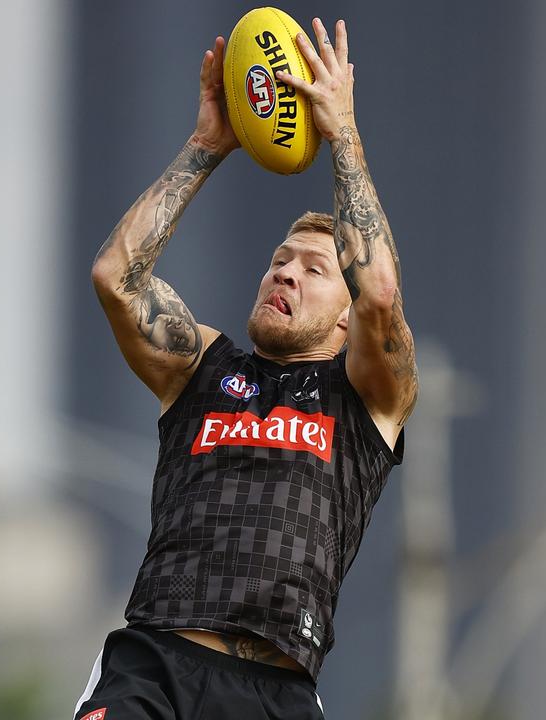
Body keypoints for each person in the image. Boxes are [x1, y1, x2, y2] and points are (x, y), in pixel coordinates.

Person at [77, 16, 417, 720]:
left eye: (312, 269)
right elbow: (117, 276)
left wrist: (342, 132)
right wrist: (207, 144)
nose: (284, 273)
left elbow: (381, 292)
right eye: (278, 261)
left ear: (346, 313)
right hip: (156, 666)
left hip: (275, 691)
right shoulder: (200, 365)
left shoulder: (365, 401)